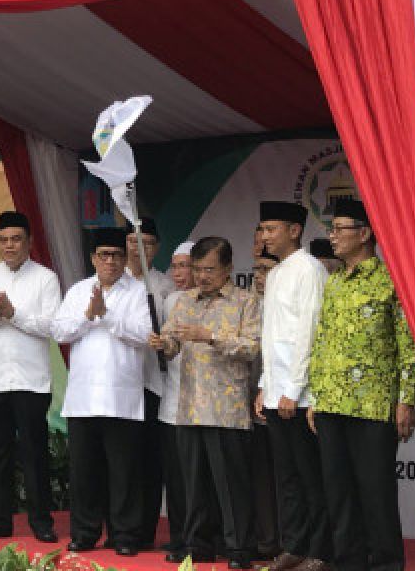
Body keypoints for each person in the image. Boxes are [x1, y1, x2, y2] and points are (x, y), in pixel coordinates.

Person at [307, 198, 415, 571]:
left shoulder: (392, 280)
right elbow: (323, 343)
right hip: (330, 405)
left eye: (340, 228)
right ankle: (349, 564)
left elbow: (410, 346)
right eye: (331, 229)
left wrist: (406, 400)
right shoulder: (335, 283)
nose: (333, 236)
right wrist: (316, 397)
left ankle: (387, 564)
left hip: (373, 406)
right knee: (338, 495)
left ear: (365, 233)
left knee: (376, 495)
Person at [151, 237, 260, 569]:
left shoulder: (245, 301)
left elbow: (252, 348)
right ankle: (198, 546)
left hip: (226, 410)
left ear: (227, 268)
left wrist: (210, 336)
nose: (201, 276)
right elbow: (172, 344)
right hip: (189, 407)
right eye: (196, 269)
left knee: (231, 486)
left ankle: (239, 549)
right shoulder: (184, 302)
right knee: (193, 484)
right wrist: (162, 343)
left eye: (209, 269)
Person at [53, 227, 151, 556]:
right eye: (104, 255)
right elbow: (60, 331)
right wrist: (88, 315)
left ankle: (124, 535)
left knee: (124, 471)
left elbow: (144, 334)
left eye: (116, 255)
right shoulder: (79, 291)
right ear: (93, 258)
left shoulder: (137, 291)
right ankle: (84, 533)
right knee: (84, 472)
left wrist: (106, 317)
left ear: (125, 259)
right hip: (83, 398)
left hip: (121, 398)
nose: (110, 261)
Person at [0, 211, 62, 542]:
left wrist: (14, 314)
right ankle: (0, 520)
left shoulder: (46, 278)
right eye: (4, 239)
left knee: (34, 451)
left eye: (16, 239)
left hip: (32, 381)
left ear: (30, 242)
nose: (10, 245)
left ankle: (41, 521)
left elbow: (51, 326)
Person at [255, 201, 330, 571]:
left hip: (300, 396)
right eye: (263, 229)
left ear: (294, 230)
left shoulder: (310, 270)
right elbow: (272, 338)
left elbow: (309, 333)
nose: (264, 236)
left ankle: (319, 551)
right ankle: (295, 545)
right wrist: (265, 386)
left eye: (270, 228)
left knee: (310, 476)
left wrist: (294, 389)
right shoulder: (279, 272)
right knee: (287, 478)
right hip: (277, 392)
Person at [127, 215, 175, 549]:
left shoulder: (166, 286)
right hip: (121, 384)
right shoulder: (111, 283)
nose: (139, 248)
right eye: (133, 241)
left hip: (154, 384)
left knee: (150, 458)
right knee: (124, 459)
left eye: (146, 243)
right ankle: (122, 527)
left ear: (156, 248)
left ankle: (145, 531)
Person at [157, 240, 196, 561]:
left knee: (199, 476)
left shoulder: (214, 302)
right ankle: (180, 535)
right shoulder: (169, 302)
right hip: (171, 400)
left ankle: (203, 538)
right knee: (177, 477)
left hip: (203, 404)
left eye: (186, 265)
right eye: (176, 265)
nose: (180, 272)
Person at [249, 249, 282, 561]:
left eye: (267, 269)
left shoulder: (287, 306)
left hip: (286, 402)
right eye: (256, 270)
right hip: (249, 406)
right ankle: (266, 541)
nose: (260, 276)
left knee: (286, 476)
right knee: (259, 477)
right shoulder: (247, 305)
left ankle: (291, 543)